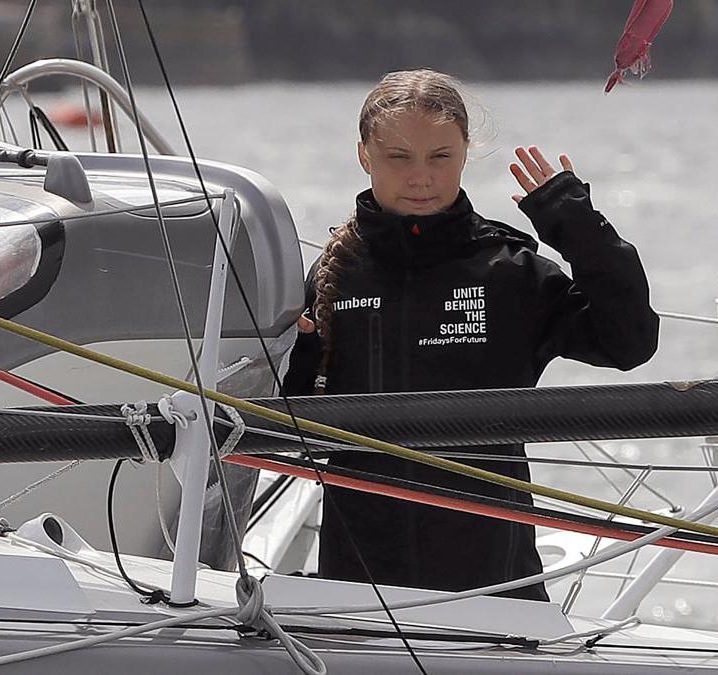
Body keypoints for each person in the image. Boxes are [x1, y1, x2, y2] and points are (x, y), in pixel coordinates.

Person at [281, 69, 659, 601]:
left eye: (440, 156)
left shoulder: (509, 270)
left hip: (495, 580)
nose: (421, 177)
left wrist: (576, 228)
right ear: (364, 156)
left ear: (464, 153)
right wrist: (292, 356)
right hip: (361, 580)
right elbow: (287, 424)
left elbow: (630, 343)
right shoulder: (333, 275)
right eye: (398, 157)